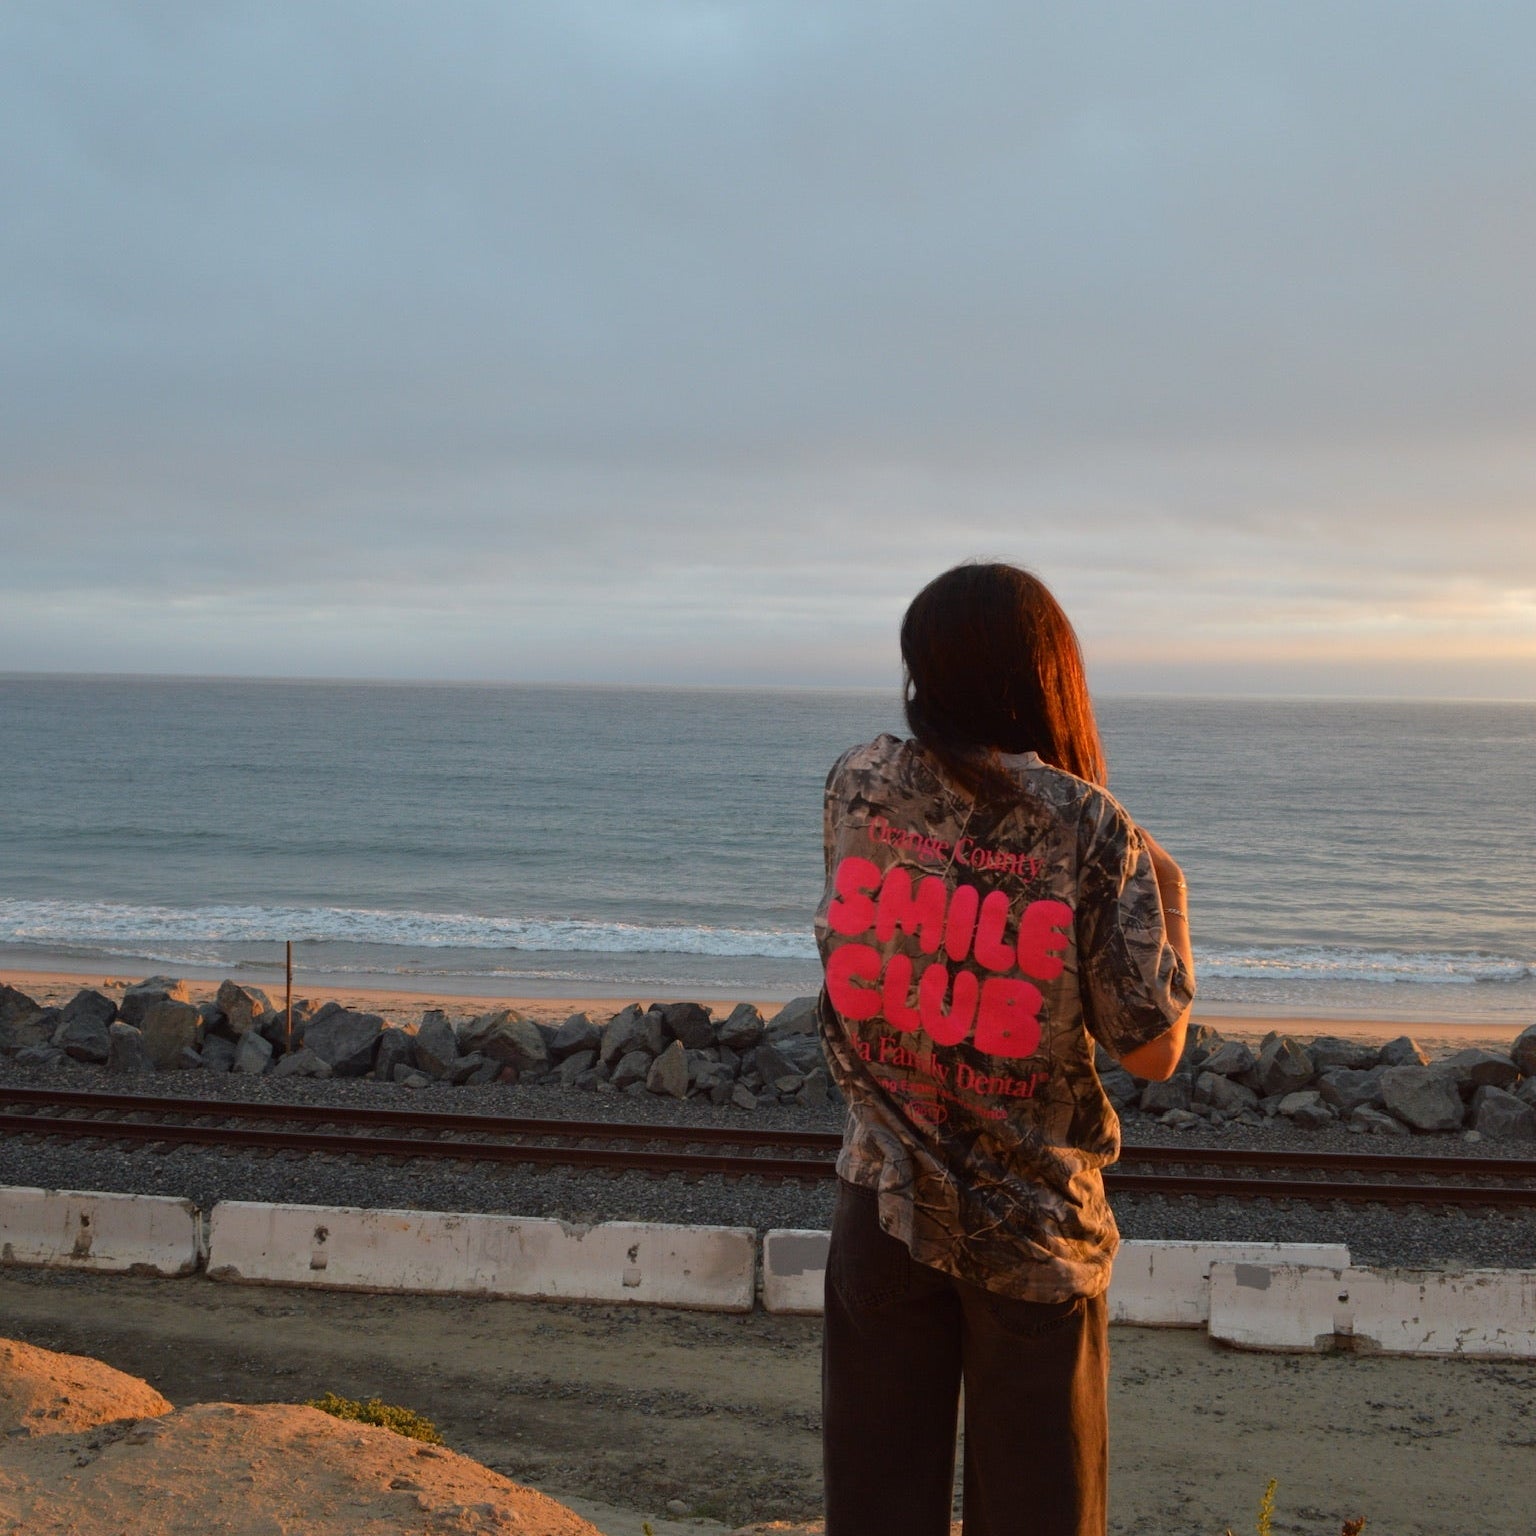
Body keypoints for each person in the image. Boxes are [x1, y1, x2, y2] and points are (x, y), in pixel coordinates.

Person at [815, 561, 1195, 1536]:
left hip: (879, 1198)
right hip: (1030, 1232)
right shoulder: (1088, 827)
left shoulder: (857, 783)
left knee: (875, 1512)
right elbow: (1150, 1049)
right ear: (1046, 676)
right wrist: (1173, 897)